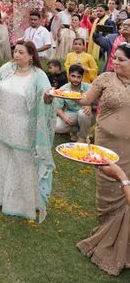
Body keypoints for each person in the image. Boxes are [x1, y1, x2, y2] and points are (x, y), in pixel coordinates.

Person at [49, 43, 130, 276]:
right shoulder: (105, 78)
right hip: (107, 145)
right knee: (108, 190)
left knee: (126, 189)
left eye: (121, 59)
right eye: (115, 57)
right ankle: (106, 230)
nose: (115, 62)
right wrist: (58, 94)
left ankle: (123, 242)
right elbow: (85, 99)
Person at [0, 40, 55, 223]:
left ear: (30, 55)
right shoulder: (7, 68)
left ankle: (20, 202)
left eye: (21, 52)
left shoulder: (39, 75)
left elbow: (47, 97)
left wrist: (48, 97)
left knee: (22, 160)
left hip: (22, 127)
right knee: (2, 155)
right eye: (15, 51)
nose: (17, 55)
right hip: (3, 124)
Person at [54, 63, 95, 142]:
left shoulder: (89, 87)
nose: (76, 79)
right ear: (68, 76)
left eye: (79, 77)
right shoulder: (64, 89)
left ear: (82, 77)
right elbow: (57, 107)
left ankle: (82, 138)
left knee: (83, 114)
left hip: (87, 115)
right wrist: (64, 117)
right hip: (71, 114)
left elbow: (98, 104)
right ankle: (76, 130)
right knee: (56, 126)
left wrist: (90, 105)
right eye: (73, 76)